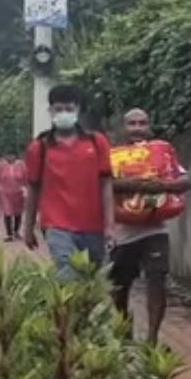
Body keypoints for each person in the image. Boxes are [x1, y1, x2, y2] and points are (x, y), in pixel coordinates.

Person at [109, 107, 191, 342]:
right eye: (132, 124)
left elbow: (186, 181)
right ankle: (124, 331)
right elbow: (103, 184)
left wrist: (161, 186)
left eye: (142, 123)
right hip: (122, 234)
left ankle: (152, 338)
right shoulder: (112, 155)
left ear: (149, 126)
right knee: (119, 287)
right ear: (123, 128)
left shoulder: (162, 153)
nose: (137, 128)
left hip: (155, 230)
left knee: (157, 281)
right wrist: (138, 184)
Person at [22, 84, 114, 276]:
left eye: (69, 109)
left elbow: (106, 185)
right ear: (50, 110)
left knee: (92, 280)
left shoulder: (97, 142)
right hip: (57, 226)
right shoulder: (39, 148)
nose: (64, 113)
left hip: (93, 226)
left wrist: (110, 225)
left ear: (78, 109)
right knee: (68, 274)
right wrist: (28, 228)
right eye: (59, 109)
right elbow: (33, 189)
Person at [0, 151, 28, 241]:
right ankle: (9, 234)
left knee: (18, 213)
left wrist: (26, 190)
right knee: (7, 213)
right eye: (8, 155)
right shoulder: (2, 165)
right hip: (5, 193)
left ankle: (16, 231)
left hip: (18, 193)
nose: (9, 157)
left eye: (11, 155)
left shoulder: (21, 165)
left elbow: (26, 178)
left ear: (15, 156)